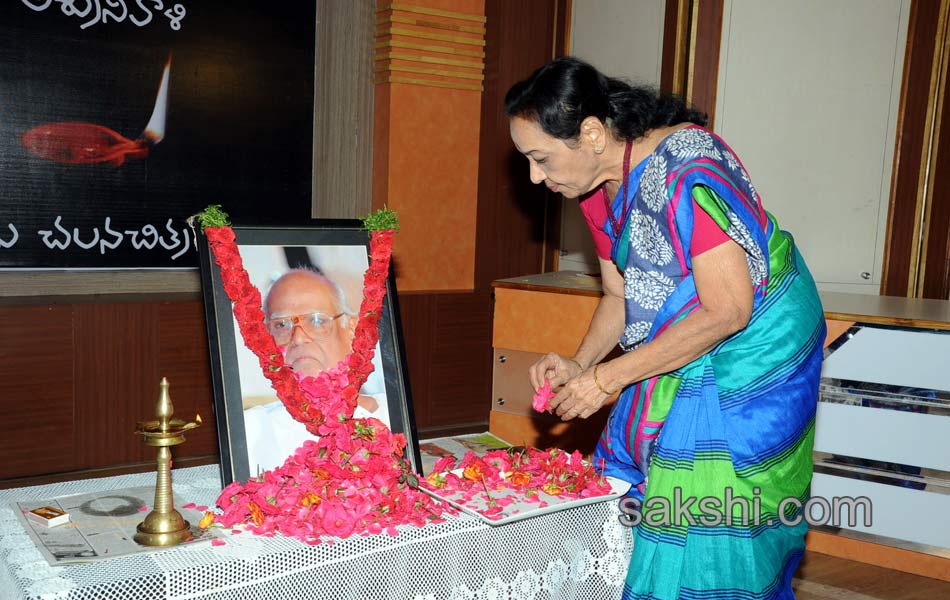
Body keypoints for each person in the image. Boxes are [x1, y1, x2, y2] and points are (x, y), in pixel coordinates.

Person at [506, 57, 825, 599]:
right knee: (653, 476)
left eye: (541, 158)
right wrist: (582, 364)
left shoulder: (686, 170)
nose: (535, 177)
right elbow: (618, 294)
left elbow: (727, 311)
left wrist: (609, 380)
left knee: (712, 495)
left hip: (757, 338)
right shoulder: (593, 190)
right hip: (696, 324)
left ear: (591, 134)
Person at [243, 269, 388, 474]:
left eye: (317, 320)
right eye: (281, 324)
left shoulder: (393, 414)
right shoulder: (251, 430)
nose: (299, 338)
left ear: (352, 331)